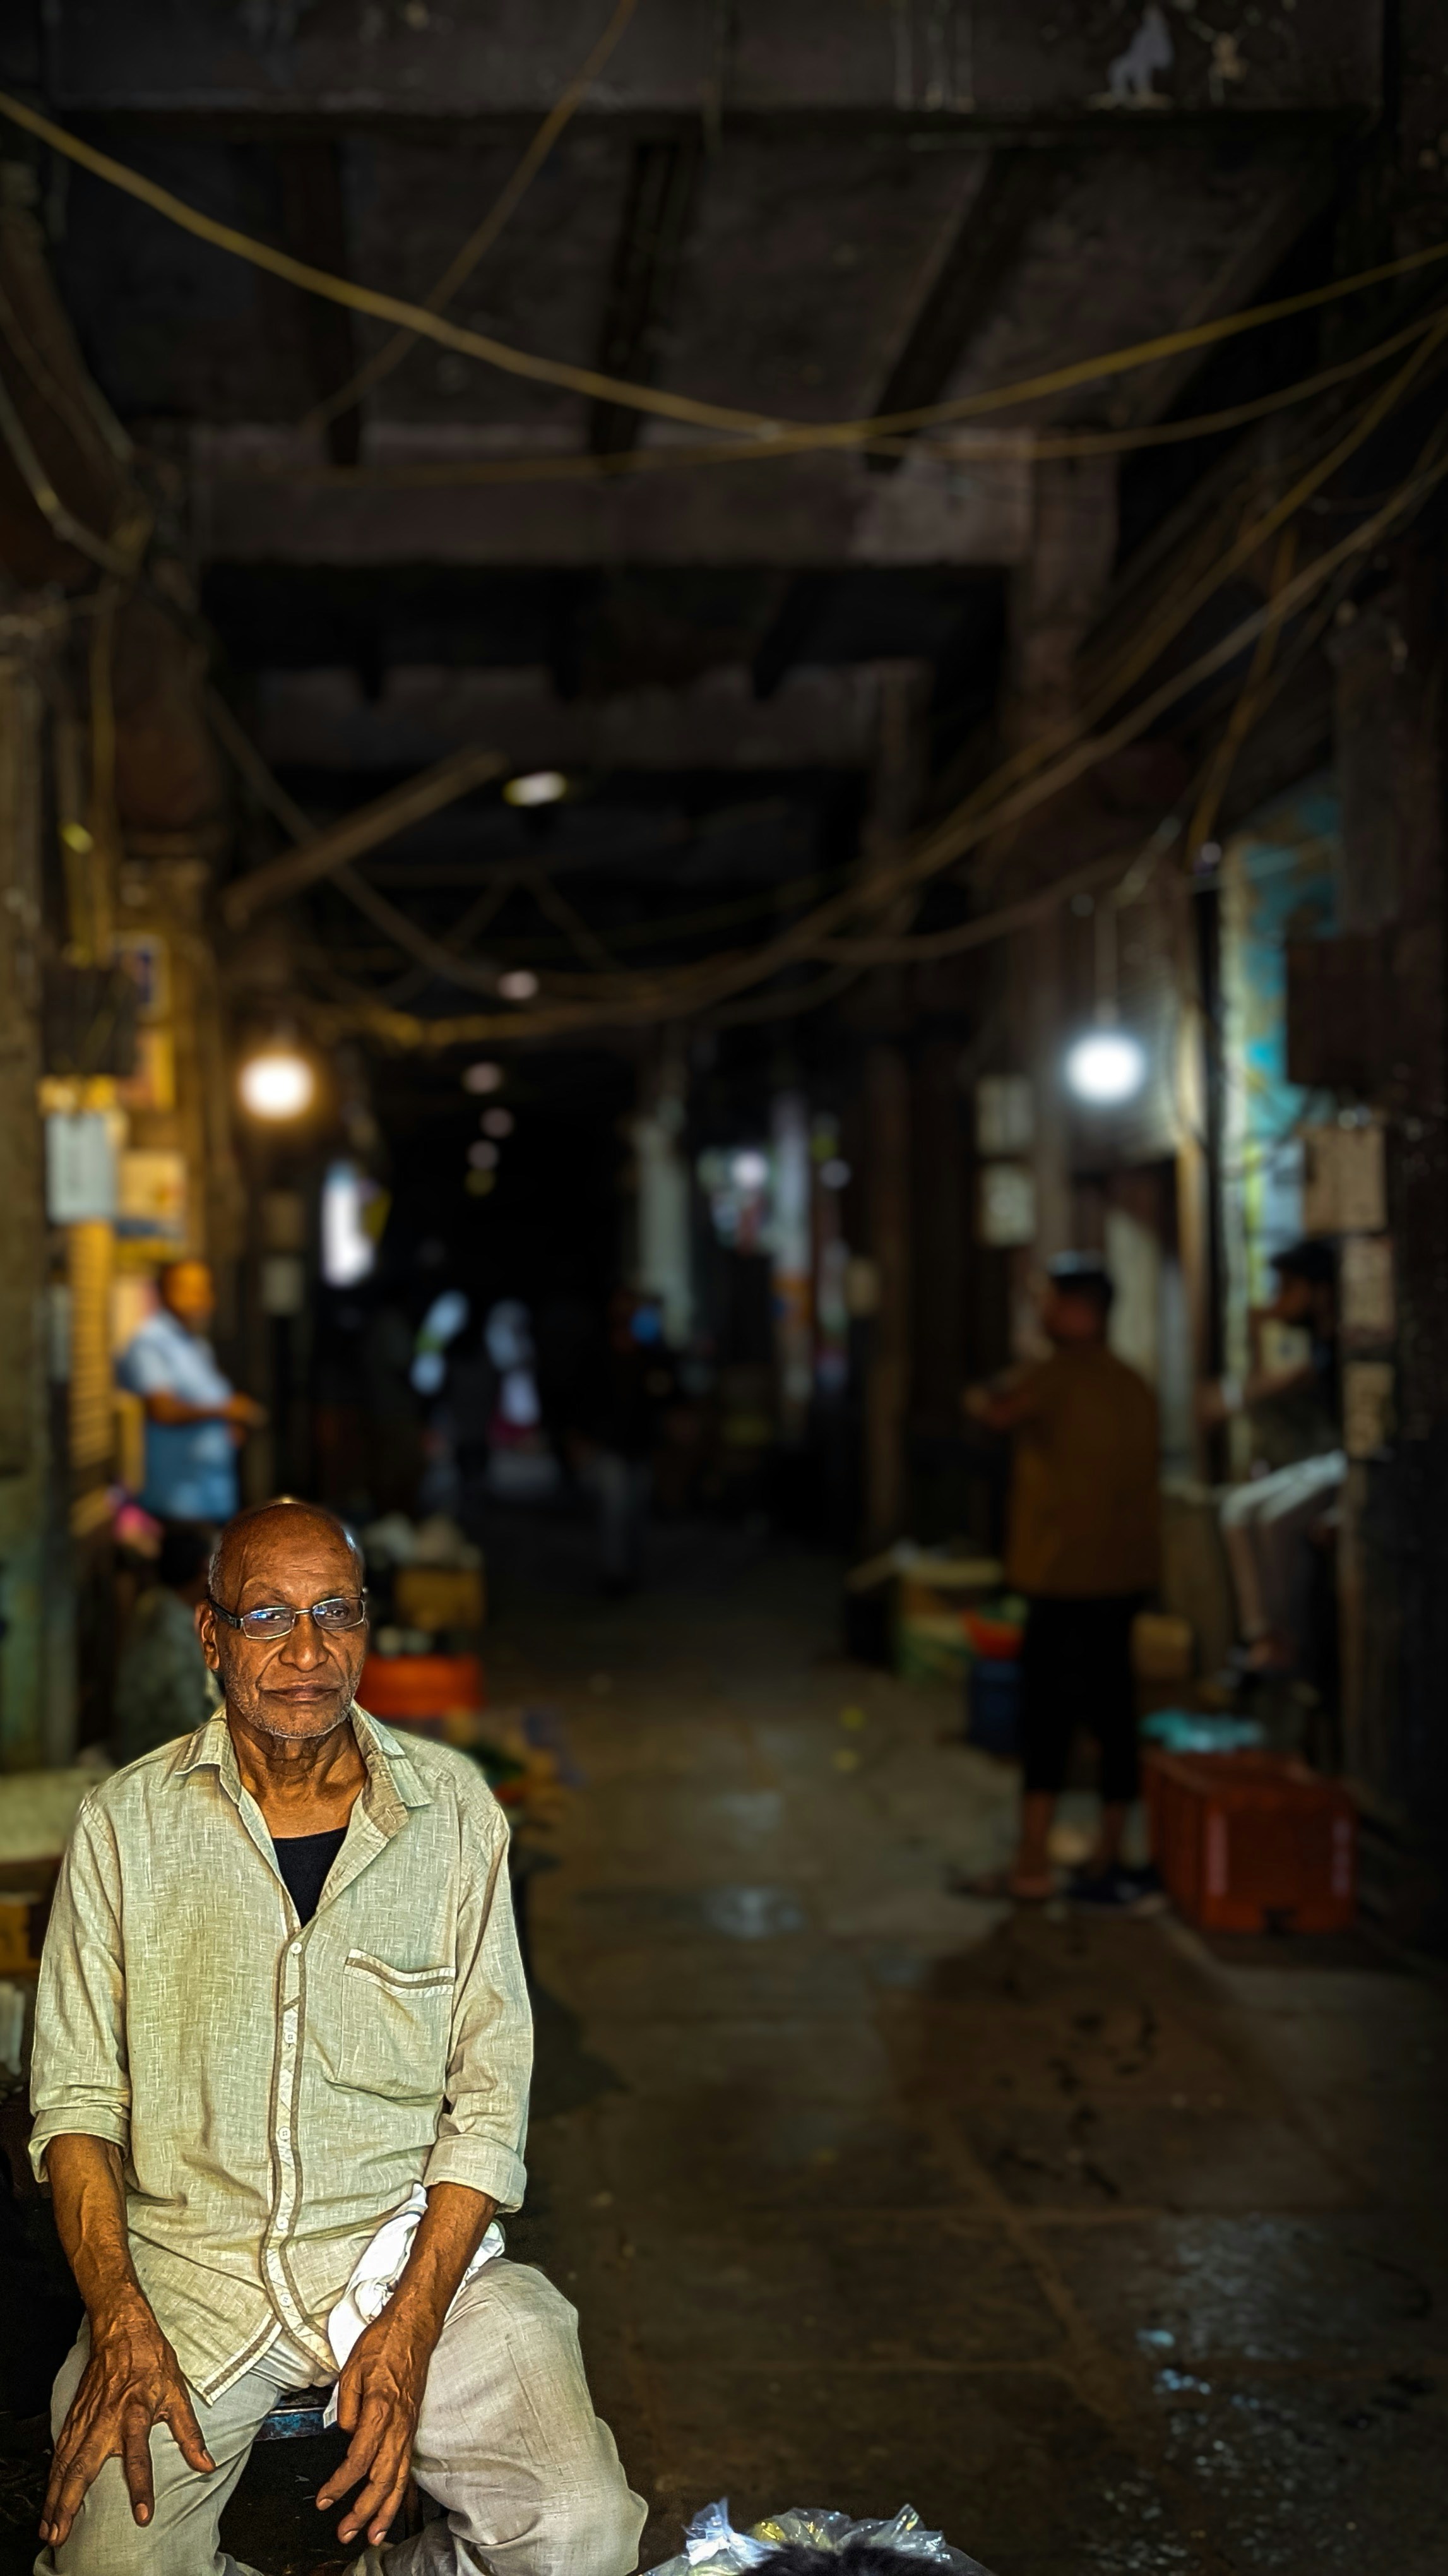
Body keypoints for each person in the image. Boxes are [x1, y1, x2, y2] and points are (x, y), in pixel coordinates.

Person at [29, 1496, 646, 2576]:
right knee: (108, 2567)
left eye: (337, 1613)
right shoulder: (124, 1827)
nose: (307, 1654)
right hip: (189, 2269)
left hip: (406, 2258)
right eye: (268, 1617)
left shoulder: (452, 1812)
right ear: (210, 1636)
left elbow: (489, 2104)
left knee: (583, 2532)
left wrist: (409, 2327)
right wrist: (119, 2316)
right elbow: (76, 2103)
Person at [963, 1255, 1161, 1909]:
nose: (1043, 1315)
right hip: (1125, 1577)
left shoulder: (1052, 1378)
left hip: (1060, 1578)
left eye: (1050, 1302)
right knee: (1113, 1715)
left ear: (1081, 1311)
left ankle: (1030, 1861)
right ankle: (1108, 1855)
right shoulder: (1135, 1384)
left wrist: (989, 1387)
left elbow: (992, 1413)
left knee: (1045, 1720)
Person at [1201, 1239, 1344, 1676]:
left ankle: (1288, 1640)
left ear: (1319, 1289)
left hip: (1345, 1467)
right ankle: (1262, 1634)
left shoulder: (1342, 1343)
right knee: (1237, 1508)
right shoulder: (1321, 1344)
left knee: (1274, 1520)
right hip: (1328, 1463)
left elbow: (1271, 1388)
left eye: (1287, 1287)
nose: (1278, 1299)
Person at [116, 1261, 265, 1527]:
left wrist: (226, 1425)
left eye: (202, 1289)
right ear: (162, 1293)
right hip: (179, 1503)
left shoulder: (195, 1344)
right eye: (185, 1289)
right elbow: (161, 1409)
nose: (197, 1298)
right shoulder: (151, 1342)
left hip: (211, 1495)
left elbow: (203, 1400)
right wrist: (225, 1410)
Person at [112, 1522, 217, 1767]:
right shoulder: (166, 1630)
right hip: (158, 1760)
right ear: (204, 1571)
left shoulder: (161, 1605)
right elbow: (188, 1720)